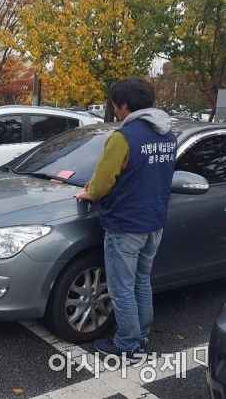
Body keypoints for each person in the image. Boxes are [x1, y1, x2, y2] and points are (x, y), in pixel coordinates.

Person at [74, 76, 177, 361]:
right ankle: (141, 335)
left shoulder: (124, 137)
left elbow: (104, 180)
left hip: (125, 224)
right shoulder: (168, 135)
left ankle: (127, 345)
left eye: (115, 105)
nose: (115, 110)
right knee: (142, 281)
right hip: (154, 221)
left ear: (124, 105)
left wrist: (89, 193)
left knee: (121, 288)